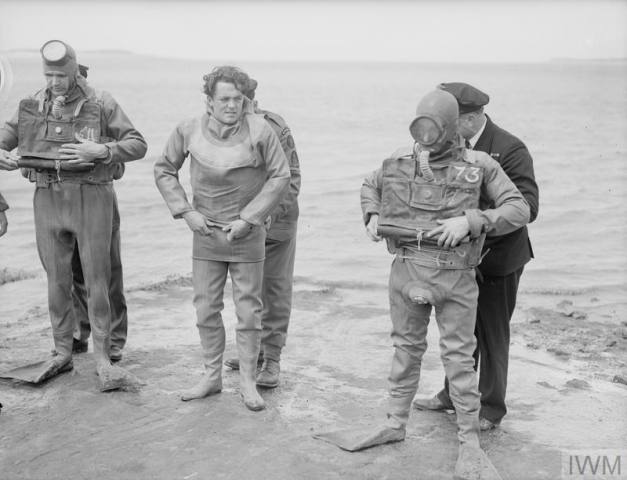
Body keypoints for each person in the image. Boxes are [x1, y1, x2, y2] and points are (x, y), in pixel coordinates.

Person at [356, 89, 529, 477]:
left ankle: (469, 440)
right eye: (421, 128)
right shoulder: (402, 159)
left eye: (433, 129)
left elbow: (520, 208)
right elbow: (370, 184)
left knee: (459, 360)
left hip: (454, 277)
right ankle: (395, 422)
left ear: (452, 128)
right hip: (406, 269)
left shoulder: (480, 164)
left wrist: (471, 220)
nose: (426, 139)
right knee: (405, 350)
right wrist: (371, 214)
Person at [0, 40, 147, 390]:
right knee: (57, 279)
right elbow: (4, 137)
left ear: (75, 70)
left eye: (61, 75)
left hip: (93, 196)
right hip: (47, 197)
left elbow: (137, 144)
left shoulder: (101, 101)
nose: (55, 82)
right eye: (49, 74)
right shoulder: (34, 103)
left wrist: (103, 149)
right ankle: (63, 350)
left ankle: (105, 354)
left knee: (101, 277)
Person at [154, 66, 290, 411]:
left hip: (246, 233)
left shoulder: (260, 130)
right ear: (209, 101)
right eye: (224, 99)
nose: (231, 105)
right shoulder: (188, 129)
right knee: (205, 308)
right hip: (205, 231)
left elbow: (281, 175)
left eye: (237, 99)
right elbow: (164, 169)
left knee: (249, 312)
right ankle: (212, 376)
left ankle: (247, 381)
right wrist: (186, 212)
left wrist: (249, 218)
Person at [413, 82, 539, 431]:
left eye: (451, 120)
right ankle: (451, 395)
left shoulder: (509, 148)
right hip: (458, 260)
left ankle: (490, 408)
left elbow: (528, 207)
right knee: (459, 333)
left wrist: (473, 222)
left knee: (493, 335)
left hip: (498, 260)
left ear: (469, 119)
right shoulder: (448, 146)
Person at [223, 78, 301, 388]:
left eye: (242, 102)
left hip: (276, 222)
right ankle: (251, 353)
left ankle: (272, 360)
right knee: (246, 291)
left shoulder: (274, 127)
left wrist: (265, 216)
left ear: (253, 101)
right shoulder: (225, 127)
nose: (235, 109)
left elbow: (291, 180)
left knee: (275, 290)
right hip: (242, 222)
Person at [69, 63, 128, 363]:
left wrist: (100, 152)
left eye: (77, 78)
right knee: (72, 270)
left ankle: (115, 339)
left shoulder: (102, 108)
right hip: (64, 202)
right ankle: (80, 331)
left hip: (100, 198)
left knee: (108, 272)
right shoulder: (53, 113)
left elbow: (121, 163)